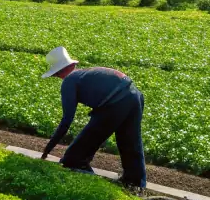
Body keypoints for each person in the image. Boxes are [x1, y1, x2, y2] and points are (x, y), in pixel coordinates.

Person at [37, 46, 147, 189]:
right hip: (135, 96)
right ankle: (135, 184)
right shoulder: (86, 73)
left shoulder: (69, 81)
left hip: (115, 102)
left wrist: (48, 148)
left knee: (73, 158)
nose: (58, 78)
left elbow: (67, 120)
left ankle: (91, 184)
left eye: (56, 75)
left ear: (59, 72)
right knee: (130, 142)